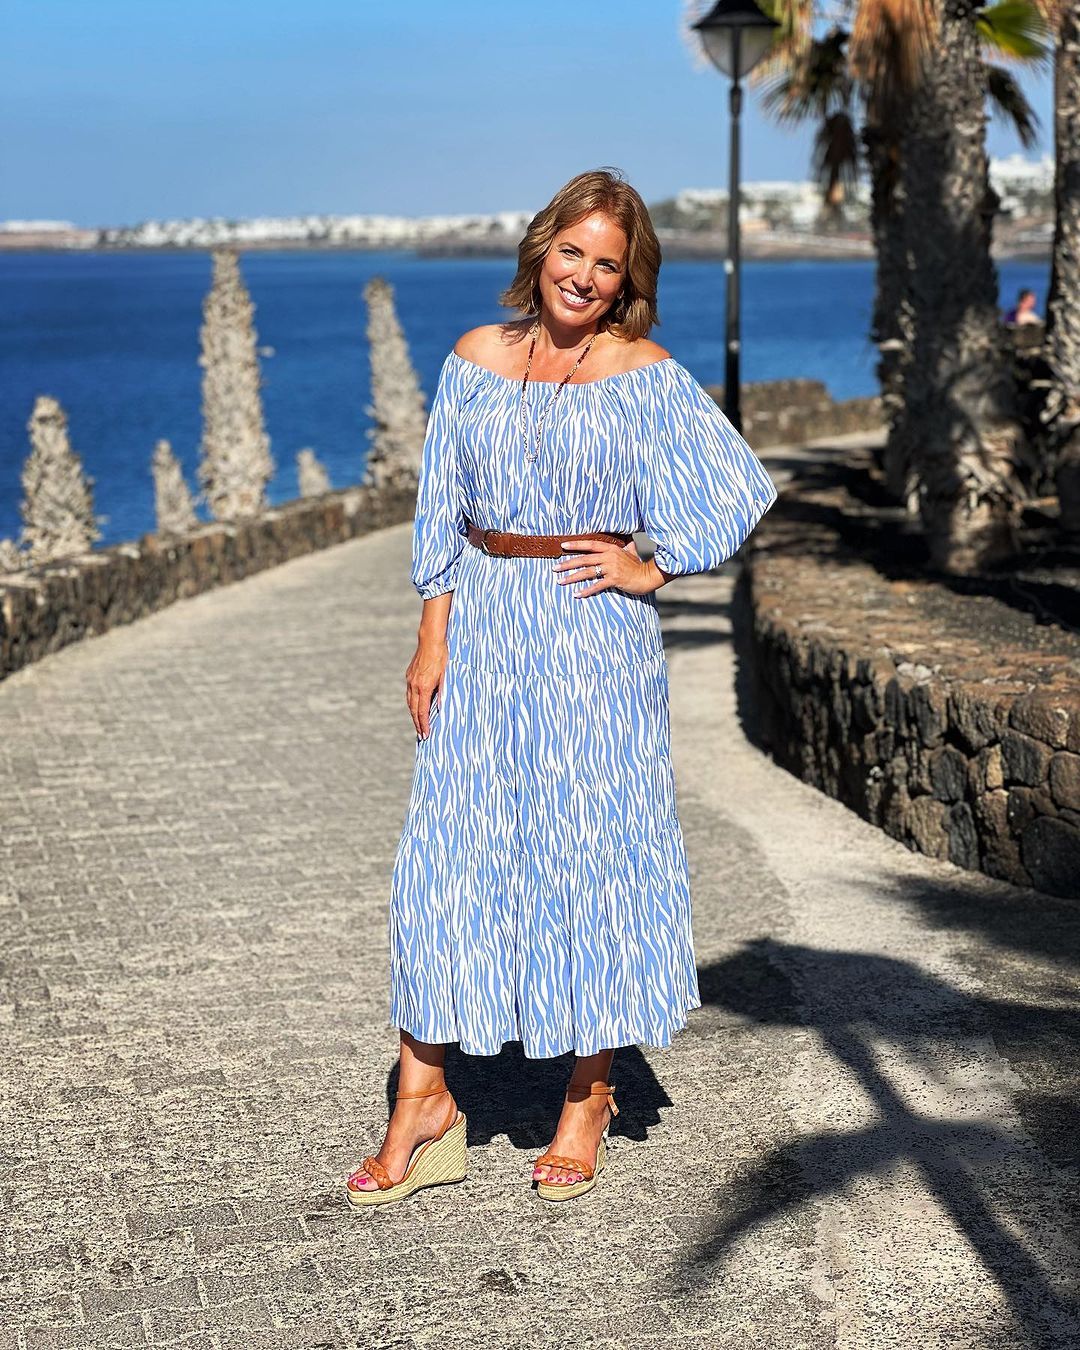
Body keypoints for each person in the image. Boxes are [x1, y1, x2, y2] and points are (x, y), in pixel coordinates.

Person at [346, 167, 778, 1207]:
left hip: (592, 637)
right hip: (483, 630)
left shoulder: (644, 373)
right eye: (571, 252)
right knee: (444, 860)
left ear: (629, 280)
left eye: (607, 264)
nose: (584, 275)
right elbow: (442, 506)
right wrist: (431, 636)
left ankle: (588, 1094)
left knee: (591, 855)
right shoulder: (474, 357)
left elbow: (736, 488)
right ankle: (424, 1100)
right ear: (542, 250)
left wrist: (651, 564)